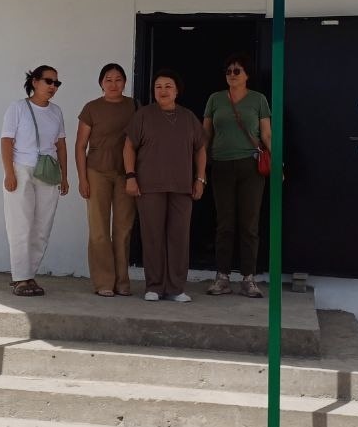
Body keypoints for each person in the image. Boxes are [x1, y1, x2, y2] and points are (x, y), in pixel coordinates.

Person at [123, 69, 207, 303]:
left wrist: (200, 179)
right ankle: (154, 286)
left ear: (177, 91)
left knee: (179, 237)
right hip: (149, 186)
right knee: (152, 236)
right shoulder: (143, 115)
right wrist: (130, 176)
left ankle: (176, 288)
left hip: (182, 187)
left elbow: (200, 148)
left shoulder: (188, 117)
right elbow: (129, 146)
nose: (163, 91)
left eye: (168, 86)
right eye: (158, 86)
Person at [202, 52, 272, 298]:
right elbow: (205, 134)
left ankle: (248, 278)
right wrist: (200, 165)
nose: (232, 75)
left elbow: (266, 134)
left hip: (250, 166)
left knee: (249, 223)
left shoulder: (258, 99)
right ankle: (222, 277)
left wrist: (277, 162)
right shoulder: (215, 99)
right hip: (221, 164)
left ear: (247, 74)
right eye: (228, 71)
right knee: (225, 223)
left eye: (237, 71)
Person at [0, 65, 69, 296]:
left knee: (42, 227)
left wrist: (65, 176)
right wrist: (9, 173)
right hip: (21, 169)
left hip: (48, 171)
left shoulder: (56, 111)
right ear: (35, 82)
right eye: (49, 81)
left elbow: (61, 145)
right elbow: (6, 141)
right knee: (20, 225)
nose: (53, 86)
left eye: (56, 83)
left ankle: (29, 275)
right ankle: (21, 278)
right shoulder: (18, 108)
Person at [76, 63, 138, 297]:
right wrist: (82, 178)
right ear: (101, 83)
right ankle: (103, 281)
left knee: (123, 228)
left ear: (125, 82)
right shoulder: (91, 108)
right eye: (108, 79)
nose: (113, 84)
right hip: (96, 172)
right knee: (99, 229)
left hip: (125, 173)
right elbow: (80, 145)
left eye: (118, 79)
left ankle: (122, 281)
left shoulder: (134, 106)